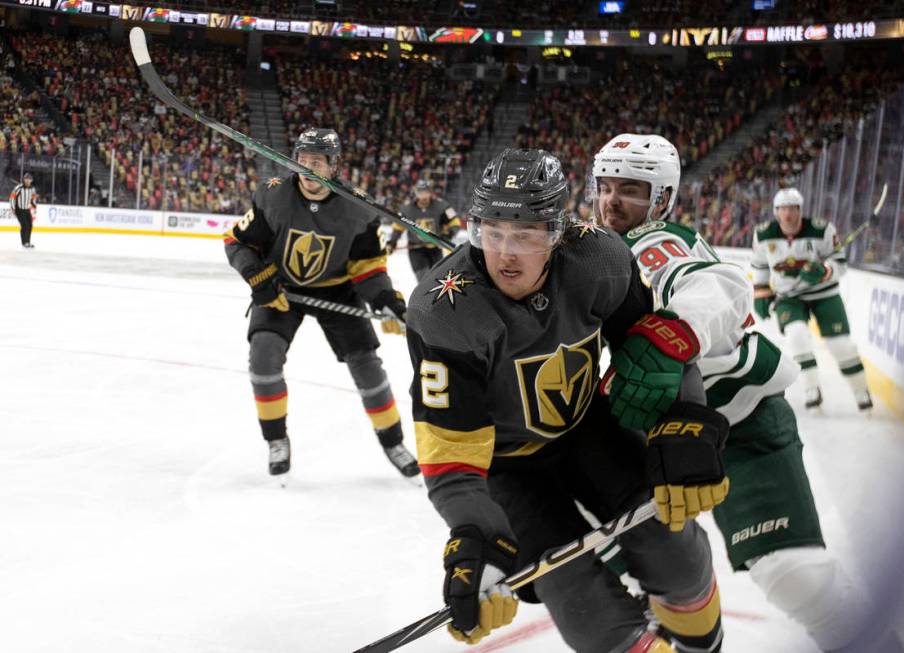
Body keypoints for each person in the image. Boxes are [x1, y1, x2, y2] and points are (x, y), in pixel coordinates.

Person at [407, 148, 729, 653]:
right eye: (493, 233)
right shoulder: (445, 313)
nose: (506, 254)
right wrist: (475, 537)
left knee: (678, 555)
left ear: (557, 233)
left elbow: (654, 348)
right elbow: (451, 457)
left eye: (526, 234)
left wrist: (683, 419)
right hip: (507, 469)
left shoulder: (600, 260)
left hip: (587, 430)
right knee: (586, 612)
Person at [594, 133, 888, 652]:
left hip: (737, 418)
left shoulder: (655, 242)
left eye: (631, 190)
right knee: (636, 565)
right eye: (605, 186)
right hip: (643, 438)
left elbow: (714, 285)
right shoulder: (594, 254)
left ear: (661, 199)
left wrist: (674, 332)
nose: (613, 200)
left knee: (796, 574)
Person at [224, 127, 419, 479]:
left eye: (317, 162)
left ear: (334, 167)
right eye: (302, 161)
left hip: (337, 290)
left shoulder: (358, 208)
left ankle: (393, 442)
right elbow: (237, 243)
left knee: (367, 367)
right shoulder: (274, 196)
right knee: (263, 357)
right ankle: (276, 440)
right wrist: (258, 278)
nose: (308, 169)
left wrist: (386, 299)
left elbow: (369, 268)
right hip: (281, 289)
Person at [750, 187, 872, 411]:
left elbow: (840, 265)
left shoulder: (822, 230)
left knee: (841, 346)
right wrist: (761, 292)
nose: (787, 214)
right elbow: (759, 267)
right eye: (783, 209)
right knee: (797, 336)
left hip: (824, 294)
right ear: (776, 212)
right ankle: (811, 389)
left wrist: (823, 270)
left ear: (800, 210)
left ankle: (861, 391)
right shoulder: (763, 234)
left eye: (792, 209)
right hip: (789, 297)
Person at [385, 179, 459, 281]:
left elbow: (454, 223)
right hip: (416, 250)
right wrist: (392, 242)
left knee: (438, 280)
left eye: (426, 192)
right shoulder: (407, 210)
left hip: (435, 249)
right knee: (424, 279)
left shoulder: (442, 207)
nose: (423, 196)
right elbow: (398, 227)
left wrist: (448, 234)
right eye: (420, 192)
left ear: (430, 192)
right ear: (415, 193)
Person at [9, 172, 37, 249]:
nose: (28, 181)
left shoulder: (32, 189)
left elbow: (33, 198)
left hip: (27, 209)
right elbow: (12, 197)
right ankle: (24, 243)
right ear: (24, 180)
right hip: (19, 210)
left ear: (31, 180)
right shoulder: (19, 188)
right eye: (26, 179)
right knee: (24, 225)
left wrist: (34, 206)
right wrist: (13, 208)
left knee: (30, 225)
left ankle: (28, 242)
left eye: (29, 179)